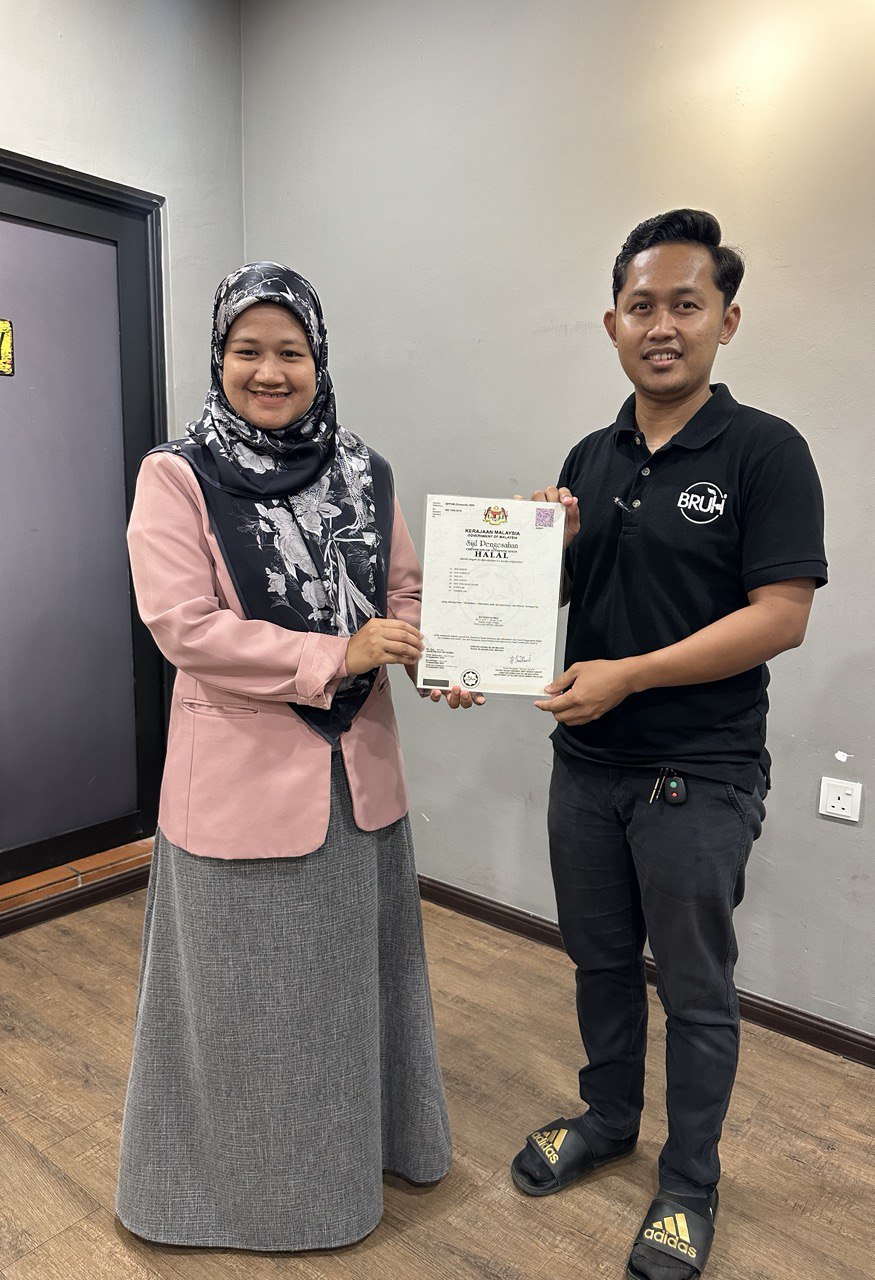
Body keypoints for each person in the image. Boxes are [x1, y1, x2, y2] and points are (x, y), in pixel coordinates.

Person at [117, 261, 480, 1251]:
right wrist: (339, 654)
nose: (269, 371)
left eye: (291, 352)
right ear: (219, 358)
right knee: (240, 1008)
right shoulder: (176, 474)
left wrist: (441, 654)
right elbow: (185, 626)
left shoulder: (365, 471)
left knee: (348, 996)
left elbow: (402, 596)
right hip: (238, 787)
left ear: (320, 361)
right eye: (248, 350)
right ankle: (231, 1200)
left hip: (357, 783)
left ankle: (361, 1161)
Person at [510, 211, 827, 1279]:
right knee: (598, 961)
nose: (662, 325)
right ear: (611, 322)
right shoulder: (590, 457)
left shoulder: (766, 451)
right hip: (586, 770)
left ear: (725, 321)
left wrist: (633, 675)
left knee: (695, 991)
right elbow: (557, 601)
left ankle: (689, 1182)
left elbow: (781, 614)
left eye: (685, 304)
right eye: (640, 305)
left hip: (700, 774)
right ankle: (608, 1119)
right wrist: (536, 555)